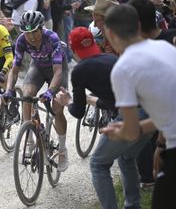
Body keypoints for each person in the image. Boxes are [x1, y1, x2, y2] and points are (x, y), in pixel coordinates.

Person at [54, 26, 153, 209]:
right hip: (149, 115)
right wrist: (90, 100)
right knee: (126, 157)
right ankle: (133, 205)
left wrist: (66, 101)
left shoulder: (80, 70)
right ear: (93, 43)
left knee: (98, 164)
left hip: (129, 117)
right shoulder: (111, 58)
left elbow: (78, 112)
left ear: (73, 49)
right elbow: (112, 99)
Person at [102, 4, 176, 209]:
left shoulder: (123, 68)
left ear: (109, 33)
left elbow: (131, 132)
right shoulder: (165, 47)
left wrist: (119, 133)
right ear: (138, 25)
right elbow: (170, 111)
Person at [4, 11, 69, 172]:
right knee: (27, 95)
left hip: (57, 69)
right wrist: (9, 90)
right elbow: (14, 69)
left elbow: (58, 72)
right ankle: (29, 138)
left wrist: (50, 92)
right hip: (38, 67)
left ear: (41, 28)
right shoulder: (21, 41)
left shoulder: (51, 38)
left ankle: (62, 149)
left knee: (57, 110)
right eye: (27, 33)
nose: (31, 37)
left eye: (34, 32)